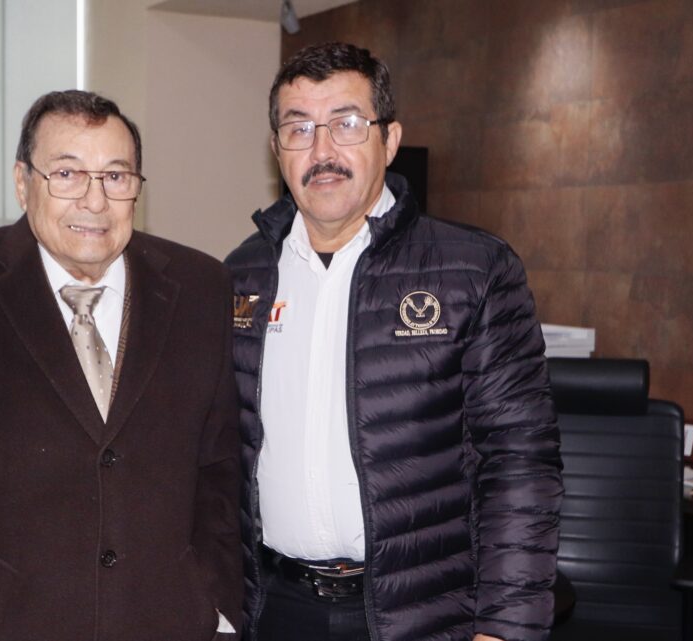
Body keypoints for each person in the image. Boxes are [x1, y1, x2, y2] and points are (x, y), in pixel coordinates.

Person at [0, 90, 242, 641]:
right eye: (67, 174)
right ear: (23, 183)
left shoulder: (200, 287)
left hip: (172, 622)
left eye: (115, 176)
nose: (94, 201)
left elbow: (221, 468)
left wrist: (216, 606)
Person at [225, 42, 564, 641]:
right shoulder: (240, 277)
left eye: (346, 124)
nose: (322, 151)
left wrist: (505, 628)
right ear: (277, 148)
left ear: (390, 139)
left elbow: (519, 462)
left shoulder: (473, 270)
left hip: (424, 613)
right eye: (299, 128)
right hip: (275, 611)